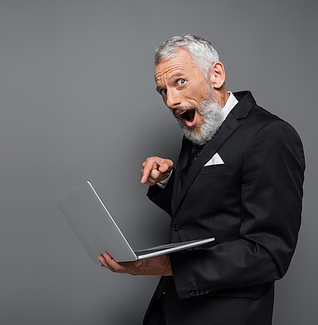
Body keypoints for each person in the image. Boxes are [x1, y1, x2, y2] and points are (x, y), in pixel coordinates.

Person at [98, 35, 305, 325]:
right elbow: (204, 214)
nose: (171, 100)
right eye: (162, 90)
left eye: (179, 82)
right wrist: (166, 182)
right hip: (171, 308)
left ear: (216, 75)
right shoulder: (199, 126)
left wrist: (171, 266)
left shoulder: (271, 135)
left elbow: (270, 253)